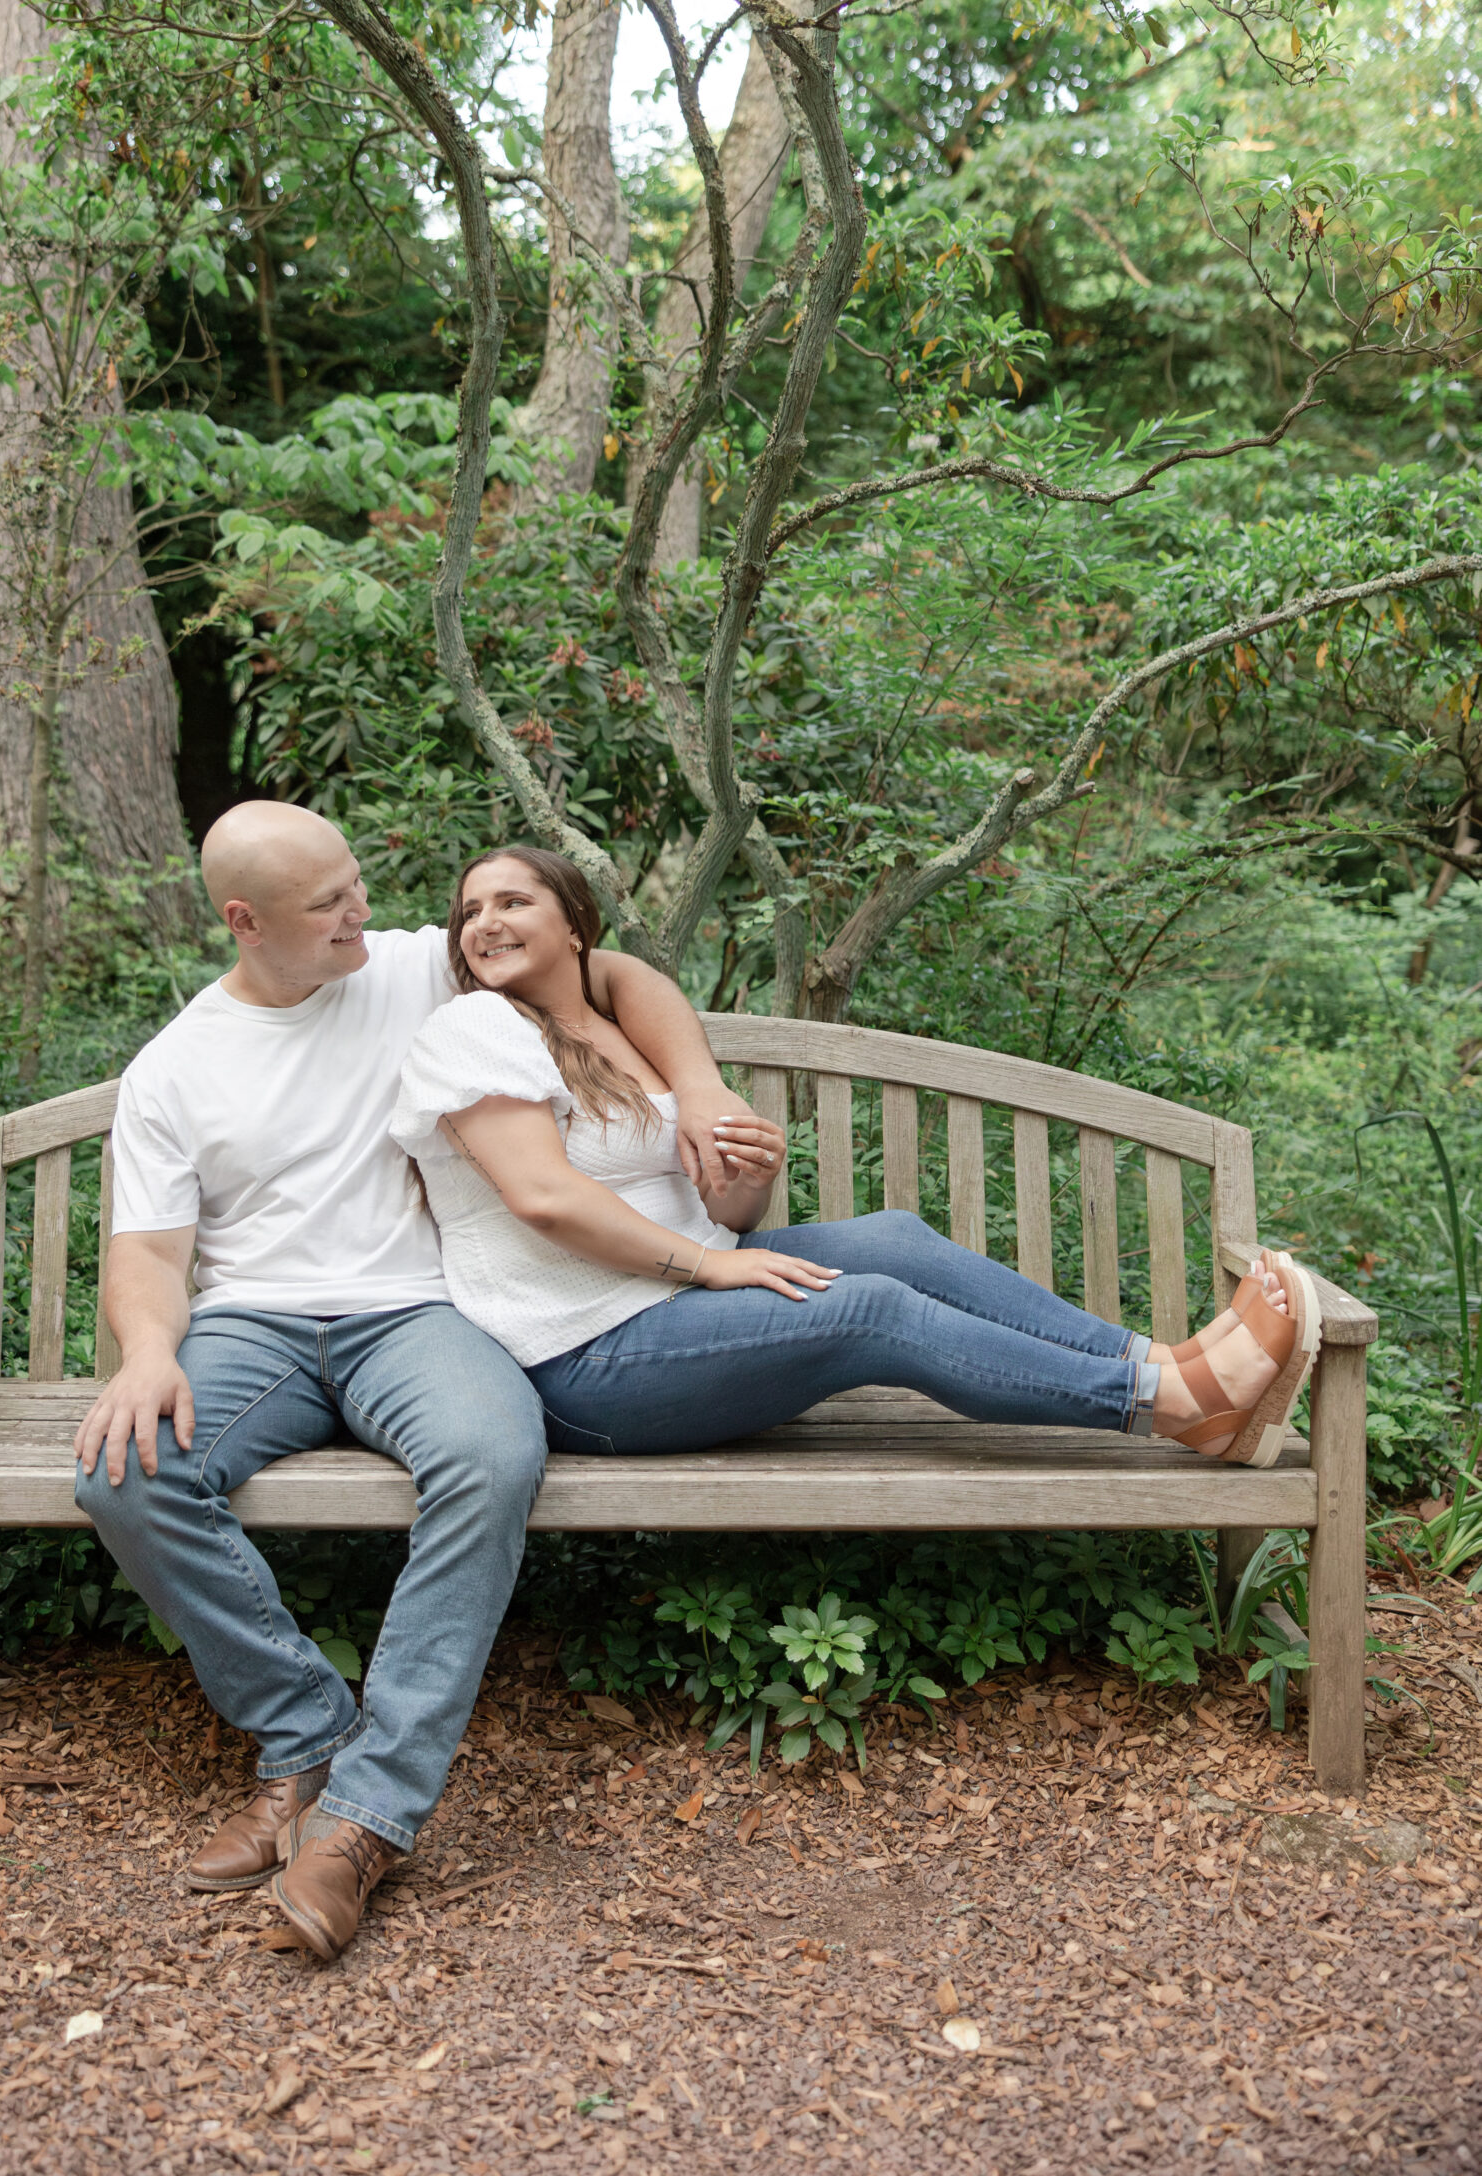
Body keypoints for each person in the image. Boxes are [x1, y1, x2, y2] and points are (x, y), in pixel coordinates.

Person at [73, 803, 744, 1963]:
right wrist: (147, 1353)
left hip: (420, 1312)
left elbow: (611, 964)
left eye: (356, 882)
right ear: (248, 921)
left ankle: (366, 1819)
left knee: (491, 1454)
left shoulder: (407, 968)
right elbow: (146, 1254)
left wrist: (704, 1088)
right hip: (254, 1326)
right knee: (123, 1472)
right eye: (330, 900)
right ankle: (303, 1736)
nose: (363, 911)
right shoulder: (174, 1066)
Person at [391, 845, 1322, 1473]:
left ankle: (1168, 1365)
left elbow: (727, 1219)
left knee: (892, 1240)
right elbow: (545, 1198)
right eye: (469, 911)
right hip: (582, 1362)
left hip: (675, 1312)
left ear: (575, 927)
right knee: (866, 1309)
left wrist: (739, 1185)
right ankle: (1162, 1403)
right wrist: (718, 1265)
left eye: (513, 901)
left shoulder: (610, 1015)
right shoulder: (473, 1026)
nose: (484, 922)